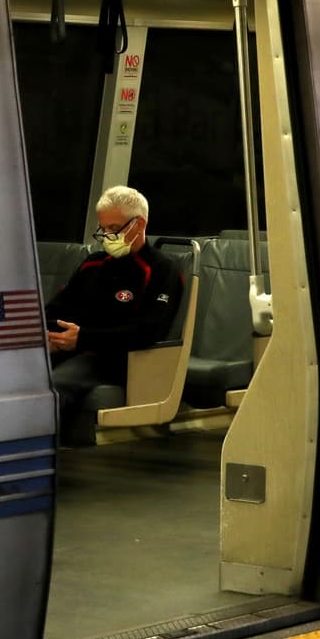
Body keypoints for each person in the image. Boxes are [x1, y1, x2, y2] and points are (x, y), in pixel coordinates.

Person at [45, 186, 184, 446]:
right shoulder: (93, 264)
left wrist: (83, 339)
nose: (107, 236)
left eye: (114, 228)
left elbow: (149, 331)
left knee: (53, 386)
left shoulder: (161, 270)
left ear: (139, 224)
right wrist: (51, 335)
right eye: (104, 229)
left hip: (116, 359)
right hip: (76, 349)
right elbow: (55, 310)